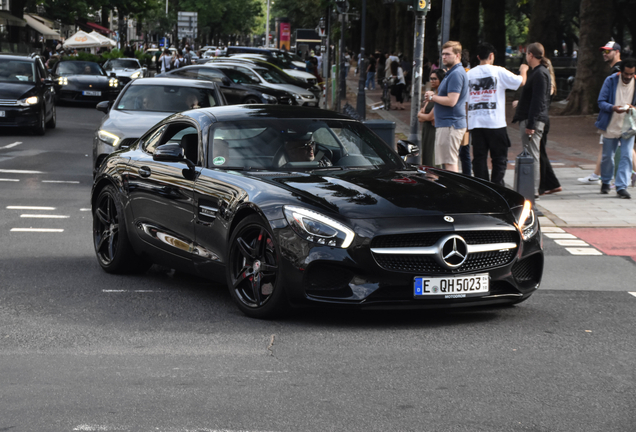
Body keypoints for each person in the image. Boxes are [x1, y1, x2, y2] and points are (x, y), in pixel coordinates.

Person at [467, 42, 528, 186]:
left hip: (476, 123)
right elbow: (520, 82)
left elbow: (464, 100)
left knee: (479, 157)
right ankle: (497, 185)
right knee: (499, 157)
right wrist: (524, 69)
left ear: (478, 57)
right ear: (491, 56)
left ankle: (482, 186)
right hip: (495, 123)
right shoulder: (498, 71)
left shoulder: (469, 74)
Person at [578, 41, 635, 185]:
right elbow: (602, 100)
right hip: (613, 120)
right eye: (604, 51)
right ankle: (602, 177)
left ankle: (604, 177)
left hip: (622, 121)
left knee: (624, 152)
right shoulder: (613, 75)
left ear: (617, 52)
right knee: (611, 153)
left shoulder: (618, 71)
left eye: (608, 51)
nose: (605, 54)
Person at [512, 42, 551, 198]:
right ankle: (532, 188)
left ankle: (532, 190)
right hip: (531, 117)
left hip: (532, 119)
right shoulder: (539, 72)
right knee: (532, 153)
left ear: (530, 55)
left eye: (527, 54)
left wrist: (531, 124)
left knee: (532, 155)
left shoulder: (539, 74)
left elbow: (538, 101)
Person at [424, 41, 469, 173]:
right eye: (443, 54)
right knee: (448, 162)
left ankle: (453, 192)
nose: (444, 57)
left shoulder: (456, 74)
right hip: (448, 123)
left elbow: (451, 101)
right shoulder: (452, 72)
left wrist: (432, 97)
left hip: (451, 124)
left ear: (457, 55)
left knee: (449, 163)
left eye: (448, 54)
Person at [596, 58, 636, 198]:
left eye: (632, 74)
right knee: (608, 156)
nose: (628, 77)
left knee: (626, 155)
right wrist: (613, 108)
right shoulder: (611, 81)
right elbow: (601, 101)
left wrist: (633, 108)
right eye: (626, 74)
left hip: (628, 126)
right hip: (611, 123)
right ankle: (606, 181)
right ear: (621, 71)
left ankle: (621, 186)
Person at [538, 59, 562, 195]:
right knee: (541, 152)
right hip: (545, 119)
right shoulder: (551, 83)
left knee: (540, 153)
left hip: (541, 120)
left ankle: (546, 184)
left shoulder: (545, 83)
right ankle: (551, 183)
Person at [418, 68, 446, 166]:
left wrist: (423, 115)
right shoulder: (431, 95)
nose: (432, 81)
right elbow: (419, 116)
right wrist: (423, 115)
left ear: (441, 80)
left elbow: (430, 117)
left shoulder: (440, 97)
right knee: (426, 158)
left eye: (435, 79)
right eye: (431, 78)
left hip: (435, 131)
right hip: (427, 130)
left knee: (432, 159)